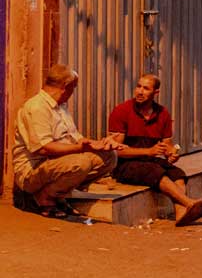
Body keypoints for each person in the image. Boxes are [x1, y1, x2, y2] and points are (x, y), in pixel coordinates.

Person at [11, 64, 121, 218]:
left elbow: (75, 138)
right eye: (73, 88)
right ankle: (44, 198)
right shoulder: (36, 107)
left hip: (56, 164)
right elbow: (44, 148)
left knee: (109, 156)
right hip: (32, 172)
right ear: (66, 86)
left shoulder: (60, 107)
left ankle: (57, 194)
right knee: (80, 162)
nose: (73, 92)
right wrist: (82, 148)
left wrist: (99, 144)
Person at [108, 74, 202, 226]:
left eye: (146, 88)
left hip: (150, 160)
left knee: (177, 173)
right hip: (124, 165)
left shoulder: (163, 114)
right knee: (155, 171)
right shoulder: (122, 111)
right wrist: (148, 151)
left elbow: (168, 145)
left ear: (156, 93)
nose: (140, 91)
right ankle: (190, 203)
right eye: (138, 86)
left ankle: (181, 213)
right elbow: (116, 151)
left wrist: (172, 154)